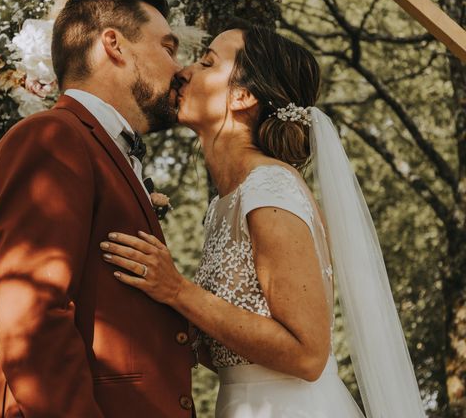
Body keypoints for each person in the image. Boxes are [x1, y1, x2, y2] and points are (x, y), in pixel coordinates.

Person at [102, 23, 426, 417]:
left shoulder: (269, 189)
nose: (184, 71)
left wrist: (176, 290)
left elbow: (308, 356)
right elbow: (232, 346)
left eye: (207, 63)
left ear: (242, 96)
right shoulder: (227, 202)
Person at [0, 0, 195, 417]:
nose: (180, 68)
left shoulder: (103, 147)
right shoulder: (52, 138)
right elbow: (32, 319)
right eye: (167, 47)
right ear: (113, 44)